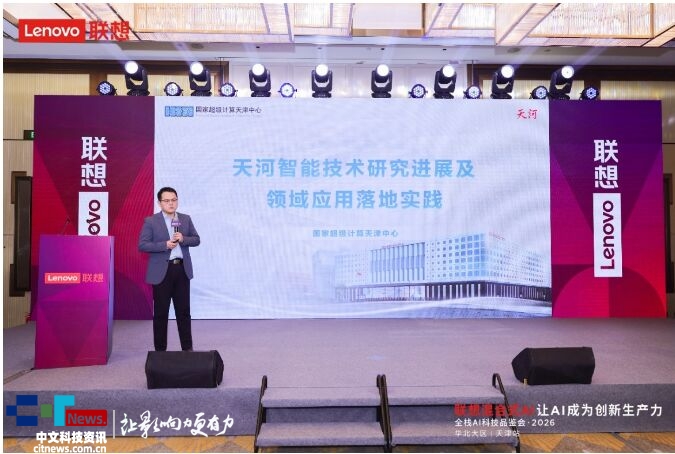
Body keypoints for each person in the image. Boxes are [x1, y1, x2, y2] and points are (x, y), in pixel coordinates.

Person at [138, 187, 200, 352]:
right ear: (160, 203)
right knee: (161, 313)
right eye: (167, 201)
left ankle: (187, 350)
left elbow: (196, 239)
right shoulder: (151, 221)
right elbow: (143, 245)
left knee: (184, 312)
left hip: (181, 270)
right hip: (162, 272)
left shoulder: (185, 219)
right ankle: (160, 353)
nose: (171, 203)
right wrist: (164, 245)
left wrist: (184, 238)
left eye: (174, 200)